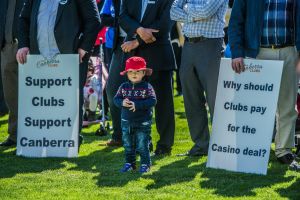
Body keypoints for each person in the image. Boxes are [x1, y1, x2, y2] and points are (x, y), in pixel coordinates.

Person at [16, 0, 101, 148]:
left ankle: (70, 142)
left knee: (70, 101)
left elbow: (93, 20)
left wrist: (84, 47)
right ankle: (43, 141)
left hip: (71, 57)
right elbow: (23, 19)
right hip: (38, 59)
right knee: (43, 101)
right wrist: (23, 44)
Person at [229, 0, 300, 170]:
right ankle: (254, 148)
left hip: (290, 51)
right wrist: (237, 52)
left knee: (287, 105)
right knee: (255, 106)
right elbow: (236, 21)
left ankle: (284, 150)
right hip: (258, 53)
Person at [170, 0, 227, 156]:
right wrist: (194, 14)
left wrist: (187, 8)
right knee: (191, 99)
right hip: (188, 47)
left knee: (216, 100)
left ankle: (222, 146)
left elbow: (206, 12)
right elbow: (173, 11)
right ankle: (201, 145)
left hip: (211, 46)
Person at [119, 0, 176, 156]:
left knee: (163, 104)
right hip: (134, 59)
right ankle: (142, 143)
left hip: (159, 57)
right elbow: (122, 16)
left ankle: (165, 145)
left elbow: (165, 24)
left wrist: (138, 41)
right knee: (136, 103)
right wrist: (139, 29)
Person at [114, 56, 156, 173]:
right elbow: (116, 99)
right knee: (128, 145)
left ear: (143, 73)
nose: (134, 74)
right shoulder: (123, 87)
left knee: (142, 145)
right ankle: (130, 163)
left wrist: (137, 105)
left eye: (137, 71)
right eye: (131, 71)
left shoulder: (147, 87)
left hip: (143, 122)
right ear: (127, 73)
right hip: (126, 122)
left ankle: (145, 164)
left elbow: (152, 101)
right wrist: (122, 102)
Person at [100, 0, 127, 147]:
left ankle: (138, 136)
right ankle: (118, 135)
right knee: (112, 89)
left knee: (139, 89)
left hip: (138, 42)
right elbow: (103, 18)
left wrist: (119, 21)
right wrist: (120, 21)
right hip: (116, 44)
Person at [0, 0, 24, 146]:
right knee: (11, 94)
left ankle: (35, 133)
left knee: (33, 93)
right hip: (6, 47)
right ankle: (15, 135)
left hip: (28, 47)